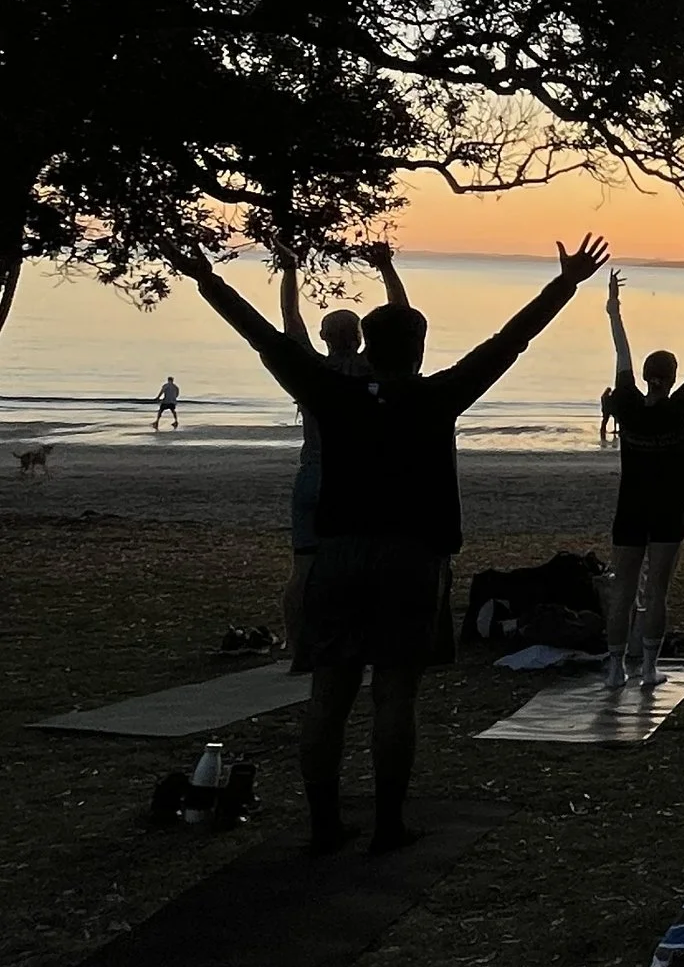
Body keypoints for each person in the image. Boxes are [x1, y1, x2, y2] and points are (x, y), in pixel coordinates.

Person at [187, 236, 610, 853]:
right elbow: (508, 343)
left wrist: (206, 277)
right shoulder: (436, 397)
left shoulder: (330, 393)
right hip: (411, 560)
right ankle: (387, 823)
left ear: (367, 347)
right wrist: (565, 284)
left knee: (328, 692)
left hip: (337, 557)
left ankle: (325, 823)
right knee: (394, 692)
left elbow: (265, 337)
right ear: (417, 351)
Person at [602, 268, 684, 690]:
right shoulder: (680, 408)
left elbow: (620, 350)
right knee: (656, 590)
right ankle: (648, 669)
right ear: (673, 379)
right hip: (666, 511)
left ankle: (614, 669)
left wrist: (614, 309)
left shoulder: (625, 402)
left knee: (623, 589)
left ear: (644, 377)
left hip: (630, 507)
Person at [275, 240, 409, 653]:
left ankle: (295, 645)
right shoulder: (371, 369)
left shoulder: (311, 371)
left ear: (323, 337)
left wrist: (291, 268)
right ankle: (359, 639)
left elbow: (289, 317)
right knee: (361, 565)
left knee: (304, 570)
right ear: (360, 337)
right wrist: (386, 268)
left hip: (311, 473)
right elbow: (401, 318)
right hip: (354, 478)